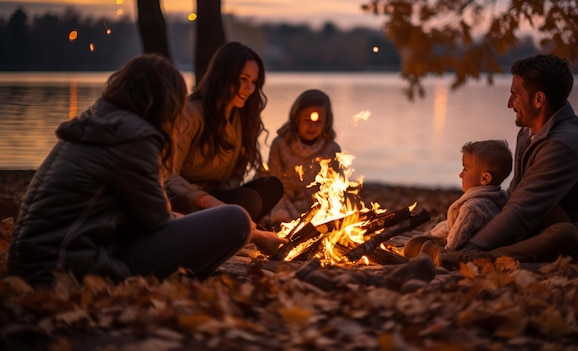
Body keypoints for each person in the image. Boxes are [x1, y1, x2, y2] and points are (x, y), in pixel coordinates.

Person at [7, 54, 287, 286]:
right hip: (64, 268)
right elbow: (157, 222)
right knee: (236, 219)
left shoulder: (100, 123)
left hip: (38, 260)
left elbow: (143, 216)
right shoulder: (132, 137)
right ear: (164, 100)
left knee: (235, 209)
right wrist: (256, 235)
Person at [417, 54, 578, 268]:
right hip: (525, 229)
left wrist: (470, 248)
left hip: (553, 237)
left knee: (568, 236)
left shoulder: (562, 146)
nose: (509, 103)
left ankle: (476, 258)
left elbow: (521, 211)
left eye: (515, 95)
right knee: (417, 244)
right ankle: (464, 253)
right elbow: (514, 198)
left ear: (539, 99)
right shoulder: (528, 132)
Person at [164, 41, 283, 226]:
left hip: (218, 197)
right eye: (243, 79)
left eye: (253, 82)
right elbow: (167, 175)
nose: (250, 89)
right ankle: (220, 225)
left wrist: (224, 201)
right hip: (188, 197)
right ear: (223, 76)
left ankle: (230, 224)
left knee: (269, 187)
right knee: (183, 204)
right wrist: (206, 200)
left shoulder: (243, 119)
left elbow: (235, 176)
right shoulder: (191, 113)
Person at [403, 140, 512, 257]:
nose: (460, 175)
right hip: (481, 245)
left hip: (464, 251)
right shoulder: (499, 198)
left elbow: (454, 242)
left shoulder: (472, 208)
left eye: (465, 169)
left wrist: (443, 253)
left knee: (412, 245)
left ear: (485, 178)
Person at [261, 89, 342, 224]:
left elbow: (334, 190)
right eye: (307, 119)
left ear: (327, 122)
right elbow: (273, 182)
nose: (312, 126)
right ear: (296, 117)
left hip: (314, 206)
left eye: (318, 122)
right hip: (281, 200)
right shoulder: (280, 144)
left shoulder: (331, 149)